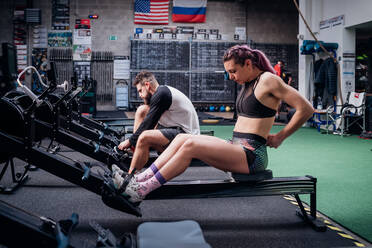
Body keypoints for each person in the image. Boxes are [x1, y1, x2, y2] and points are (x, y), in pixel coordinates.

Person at [113, 45, 314, 203]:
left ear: (248, 64)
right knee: (184, 138)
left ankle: (141, 190)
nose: (231, 77)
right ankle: (137, 180)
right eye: (228, 72)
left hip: (252, 155)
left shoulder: (268, 80)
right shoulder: (247, 84)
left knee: (191, 145)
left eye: (233, 71)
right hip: (237, 147)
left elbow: (306, 108)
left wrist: (280, 136)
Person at [117, 71, 200, 174]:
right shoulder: (161, 93)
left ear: (147, 85)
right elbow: (148, 118)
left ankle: (129, 177)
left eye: (140, 91)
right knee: (142, 110)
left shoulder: (162, 94)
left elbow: (148, 124)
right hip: (175, 132)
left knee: (144, 137)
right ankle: (137, 151)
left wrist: (129, 141)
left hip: (186, 137)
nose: (140, 95)